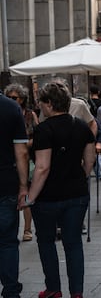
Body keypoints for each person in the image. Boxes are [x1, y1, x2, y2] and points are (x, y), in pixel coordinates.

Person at [19, 81, 95, 298]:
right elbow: (89, 159)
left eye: (41, 103)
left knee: (46, 242)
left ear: (49, 104)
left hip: (49, 197)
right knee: (73, 244)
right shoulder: (81, 126)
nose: (39, 107)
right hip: (77, 192)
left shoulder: (44, 130)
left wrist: (30, 197)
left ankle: (53, 289)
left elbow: (42, 167)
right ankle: (77, 292)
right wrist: (81, 175)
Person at [0, 91, 28, 298]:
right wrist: (23, 185)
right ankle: (10, 290)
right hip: (6, 182)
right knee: (8, 241)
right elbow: (21, 152)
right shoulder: (11, 107)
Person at [4, 83, 39, 242]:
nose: (12, 100)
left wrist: (27, 143)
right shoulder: (8, 110)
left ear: (22, 99)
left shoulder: (30, 115)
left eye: (15, 98)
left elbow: (37, 136)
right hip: (10, 161)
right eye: (9, 97)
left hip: (26, 159)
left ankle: (27, 228)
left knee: (26, 193)